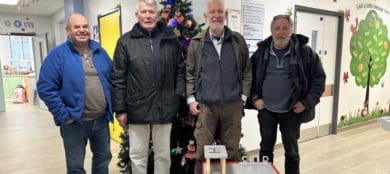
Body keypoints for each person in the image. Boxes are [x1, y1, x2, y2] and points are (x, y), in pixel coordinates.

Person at [110, 0, 185, 173]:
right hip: (137, 107)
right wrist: (120, 109)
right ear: (137, 15)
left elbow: (180, 70)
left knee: (163, 155)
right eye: (143, 12)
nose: (148, 16)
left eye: (151, 12)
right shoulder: (125, 42)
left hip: (165, 107)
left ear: (158, 15)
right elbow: (118, 77)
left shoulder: (170, 39)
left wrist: (177, 96)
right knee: (137, 156)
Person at [247, 14, 326, 174]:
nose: (280, 32)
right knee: (265, 151)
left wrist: (305, 103)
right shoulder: (261, 53)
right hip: (267, 111)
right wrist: (255, 98)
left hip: (291, 112)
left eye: (285, 28)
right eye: (277, 28)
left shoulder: (306, 54)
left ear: (291, 30)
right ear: (271, 31)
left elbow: (319, 81)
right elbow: (248, 78)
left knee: (291, 153)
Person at [37, 13, 113, 174]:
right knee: (75, 166)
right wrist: (63, 115)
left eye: (85, 26)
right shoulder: (57, 55)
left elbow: (113, 79)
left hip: (101, 119)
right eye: (76, 27)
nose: (82, 30)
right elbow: (45, 87)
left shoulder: (100, 52)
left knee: (103, 157)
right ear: (68, 31)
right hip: (75, 122)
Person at [185, 0, 252, 173]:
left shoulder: (238, 41)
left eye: (220, 11)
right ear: (206, 16)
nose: (216, 15)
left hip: (232, 106)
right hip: (206, 108)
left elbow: (247, 72)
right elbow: (190, 74)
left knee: (231, 151)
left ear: (226, 15)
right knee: (202, 152)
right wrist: (191, 100)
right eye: (212, 12)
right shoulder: (196, 43)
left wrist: (242, 98)